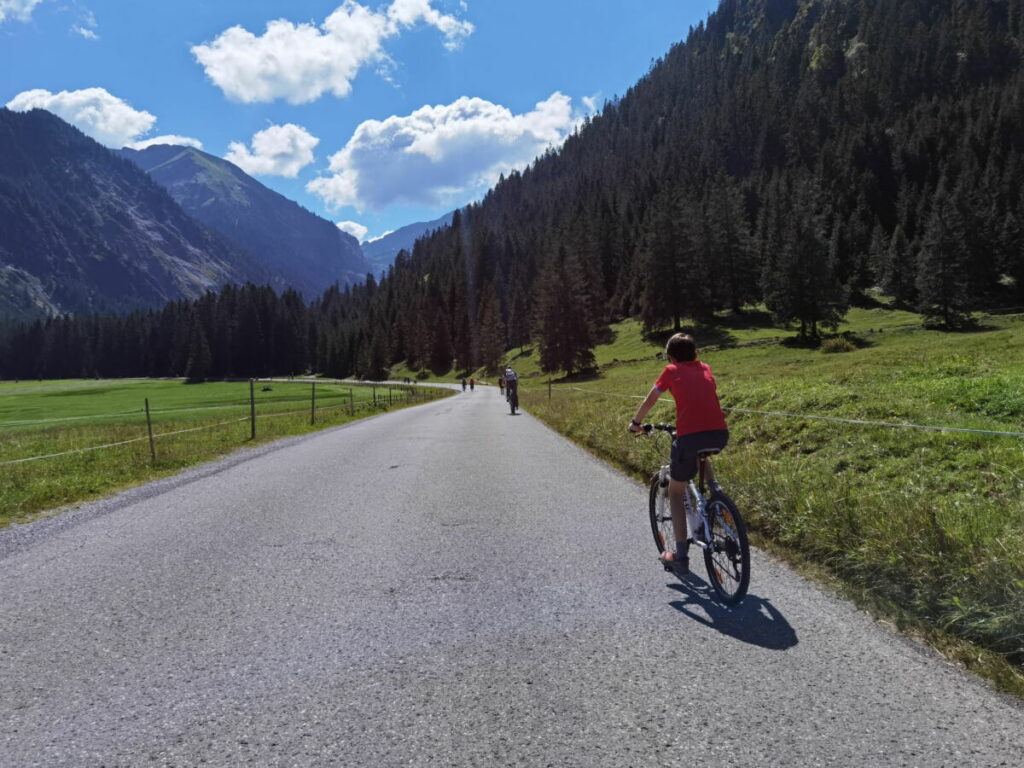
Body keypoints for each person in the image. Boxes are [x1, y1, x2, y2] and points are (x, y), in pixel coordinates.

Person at [627, 333, 728, 576]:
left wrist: (635, 423)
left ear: (670, 356)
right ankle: (717, 498)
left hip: (690, 437)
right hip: (719, 433)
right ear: (695, 353)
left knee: (676, 490)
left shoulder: (670, 370)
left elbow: (652, 399)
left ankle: (681, 558)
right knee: (701, 455)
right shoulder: (705, 367)